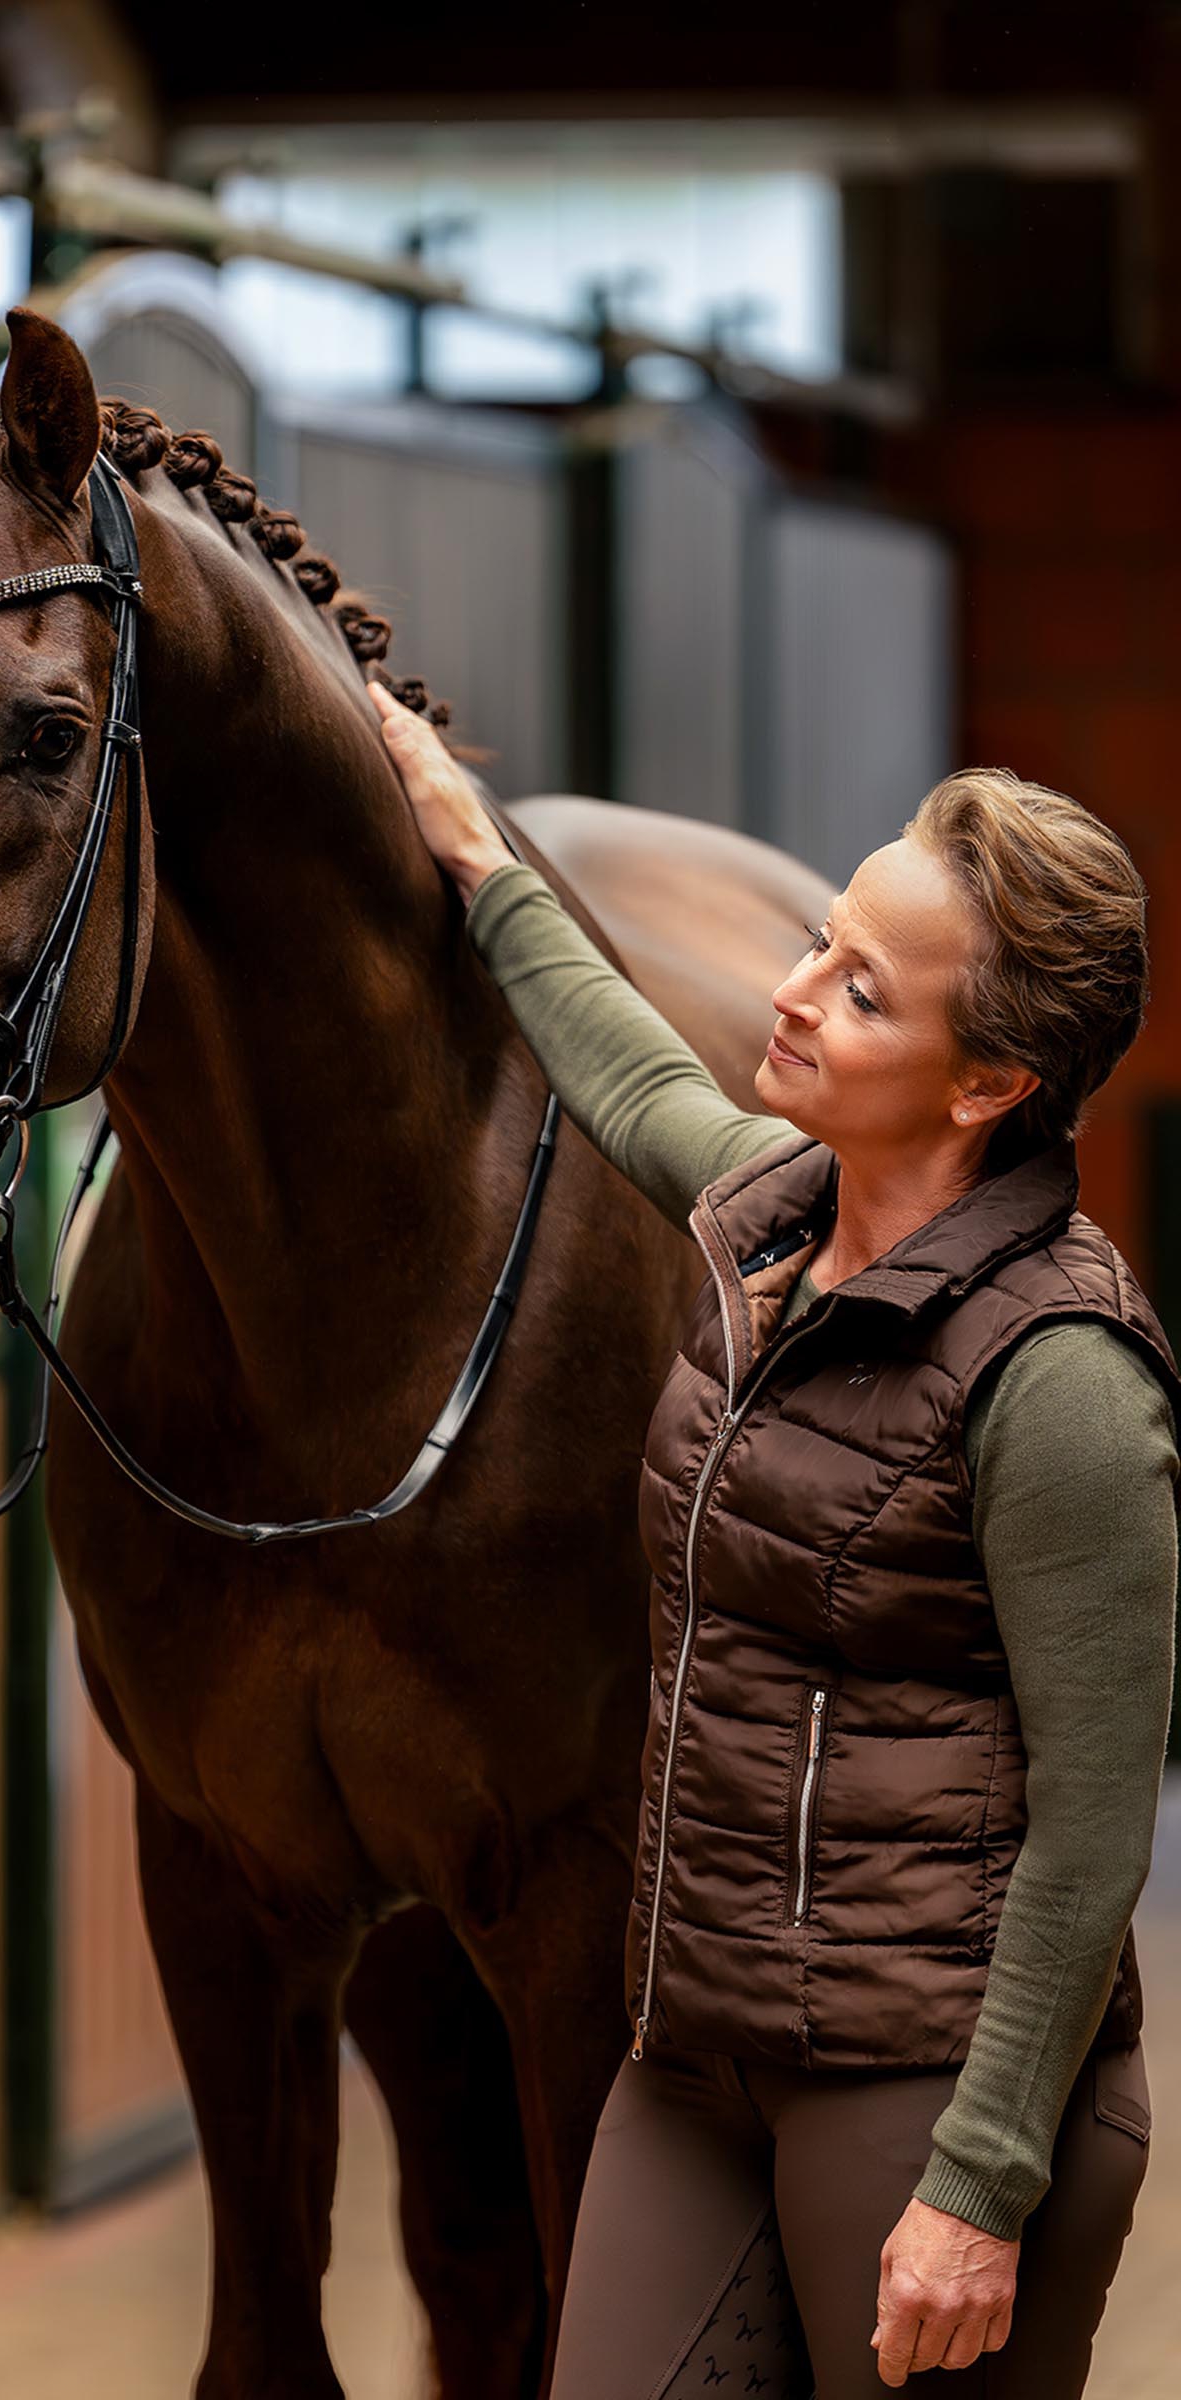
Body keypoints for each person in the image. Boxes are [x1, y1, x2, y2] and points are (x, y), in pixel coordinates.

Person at [366, 679, 1180, 2398]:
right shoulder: (766, 1220)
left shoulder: (1064, 1382)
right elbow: (620, 1059)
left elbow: (1098, 1829)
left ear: (989, 1083)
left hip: (933, 2082)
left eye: (864, 990)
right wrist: (470, 841)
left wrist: (981, 2182)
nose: (797, 995)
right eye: (821, 940)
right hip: (697, 2052)